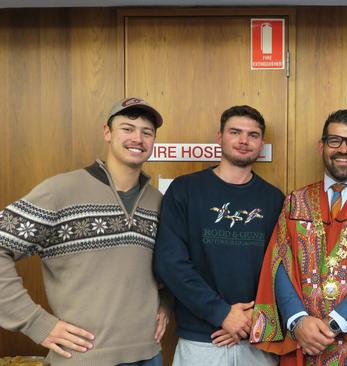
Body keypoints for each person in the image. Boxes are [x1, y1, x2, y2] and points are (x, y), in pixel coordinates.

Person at [0, 97, 171, 365]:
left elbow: (169, 263)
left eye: (146, 132)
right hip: (82, 358)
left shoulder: (158, 202)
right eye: (127, 128)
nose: (138, 138)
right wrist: (35, 323)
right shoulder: (60, 191)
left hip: (148, 354)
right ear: (107, 133)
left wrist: (166, 301)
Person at [250, 109, 347, 365]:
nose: (343, 149)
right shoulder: (295, 202)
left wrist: (334, 324)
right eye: (335, 141)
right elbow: (278, 262)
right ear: (321, 146)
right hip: (303, 342)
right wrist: (298, 321)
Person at [154, 105, 284, 365]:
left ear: (261, 143)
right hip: (202, 341)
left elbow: (281, 268)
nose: (244, 140)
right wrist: (222, 314)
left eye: (253, 135)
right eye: (235, 132)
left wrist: (250, 319)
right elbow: (171, 263)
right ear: (219, 137)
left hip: (257, 339)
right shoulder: (185, 190)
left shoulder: (273, 198)